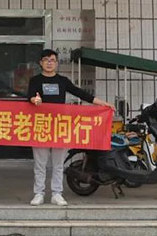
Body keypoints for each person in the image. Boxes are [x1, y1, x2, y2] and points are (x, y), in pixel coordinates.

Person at [27, 48, 115, 207]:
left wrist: (102, 103)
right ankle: (38, 193)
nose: (49, 63)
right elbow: (30, 96)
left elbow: (80, 93)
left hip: (59, 126)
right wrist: (34, 100)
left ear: (56, 63)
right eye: (46, 60)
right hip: (41, 126)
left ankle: (57, 194)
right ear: (40, 63)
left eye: (52, 60)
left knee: (58, 163)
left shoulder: (62, 81)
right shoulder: (35, 80)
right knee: (40, 164)